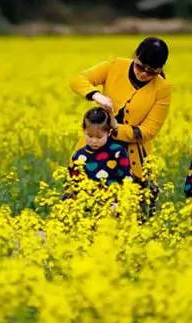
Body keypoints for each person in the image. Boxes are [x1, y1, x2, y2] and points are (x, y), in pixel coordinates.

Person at [69, 37, 172, 208]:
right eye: (140, 66)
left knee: (133, 213)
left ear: (160, 69)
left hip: (134, 158)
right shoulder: (114, 66)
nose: (144, 73)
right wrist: (96, 95)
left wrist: (115, 128)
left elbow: (148, 131)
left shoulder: (163, 88)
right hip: (96, 147)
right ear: (135, 56)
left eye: (152, 71)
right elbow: (77, 80)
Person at [69, 107, 131, 185]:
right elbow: (74, 182)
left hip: (113, 195)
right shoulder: (79, 155)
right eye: (90, 136)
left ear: (109, 132)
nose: (94, 141)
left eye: (99, 137)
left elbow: (126, 179)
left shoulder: (118, 152)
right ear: (83, 130)